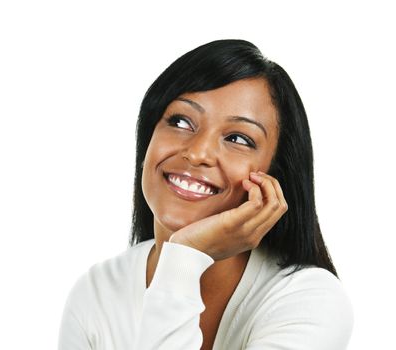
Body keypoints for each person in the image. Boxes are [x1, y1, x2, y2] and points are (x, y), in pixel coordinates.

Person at [57, 39, 354, 349]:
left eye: (238, 138)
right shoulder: (96, 294)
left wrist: (183, 258)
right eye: (180, 121)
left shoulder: (310, 300)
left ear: (273, 177)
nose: (198, 152)